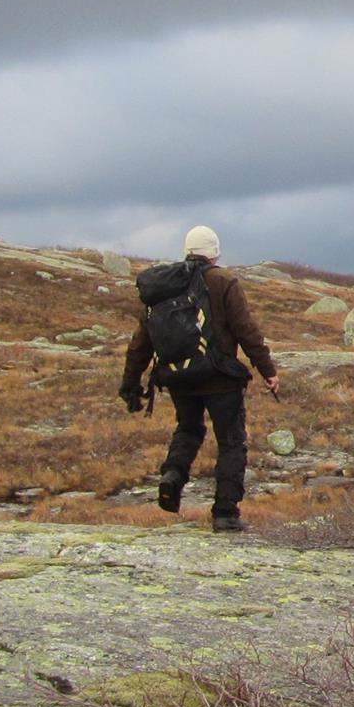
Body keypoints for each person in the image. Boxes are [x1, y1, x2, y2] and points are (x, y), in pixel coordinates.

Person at [120, 225, 281, 532]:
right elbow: (246, 331)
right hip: (219, 377)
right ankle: (225, 513)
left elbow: (142, 340)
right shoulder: (223, 281)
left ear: (188, 251)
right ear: (215, 252)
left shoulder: (167, 285)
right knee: (232, 442)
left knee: (188, 430)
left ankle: (173, 475)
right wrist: (268, 371)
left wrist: (130, 382)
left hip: (179, 377)